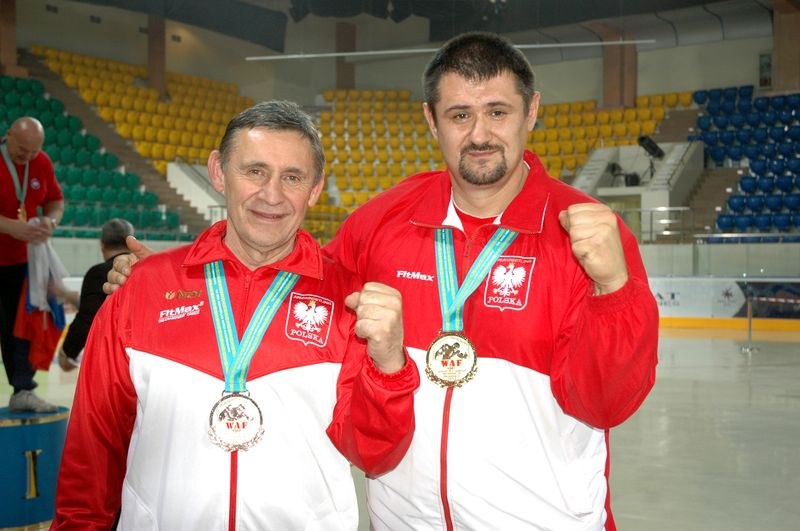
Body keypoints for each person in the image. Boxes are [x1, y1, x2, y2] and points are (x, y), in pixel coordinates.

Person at [106, 32, 659, 530]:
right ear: (431, 119)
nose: (481, 134)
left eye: (498, 111)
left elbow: (604, 404)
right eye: (460, 115)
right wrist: (172, 281)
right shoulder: (382, 221)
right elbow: (288, 284)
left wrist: (616, 290)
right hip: (405, 523)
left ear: (531, 111)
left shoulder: (583, 233)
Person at [52, 101, 419, 530]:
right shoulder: (144, 288)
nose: (272, 195)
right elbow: (92, 450)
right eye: (255, 171)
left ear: (316, 188)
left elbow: (375, 453)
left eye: (293, 177)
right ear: (218, 171)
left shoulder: (348, 300)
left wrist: (390, 367)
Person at [0, 116, 64, 413]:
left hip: (21, 262)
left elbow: (55, 201)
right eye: (21, 150)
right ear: (8, 135)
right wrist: (10, 226)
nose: (26, 157)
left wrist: (51, 220)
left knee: (19, 328)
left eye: (32, 152)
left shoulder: (42, 163)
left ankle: (23, 390)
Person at [52, 218, 135, 372]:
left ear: (102, 245)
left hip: (114, 363)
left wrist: (68, 352)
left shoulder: (98, 273)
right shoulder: (144, 269)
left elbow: (88, 318)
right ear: (132, 242)